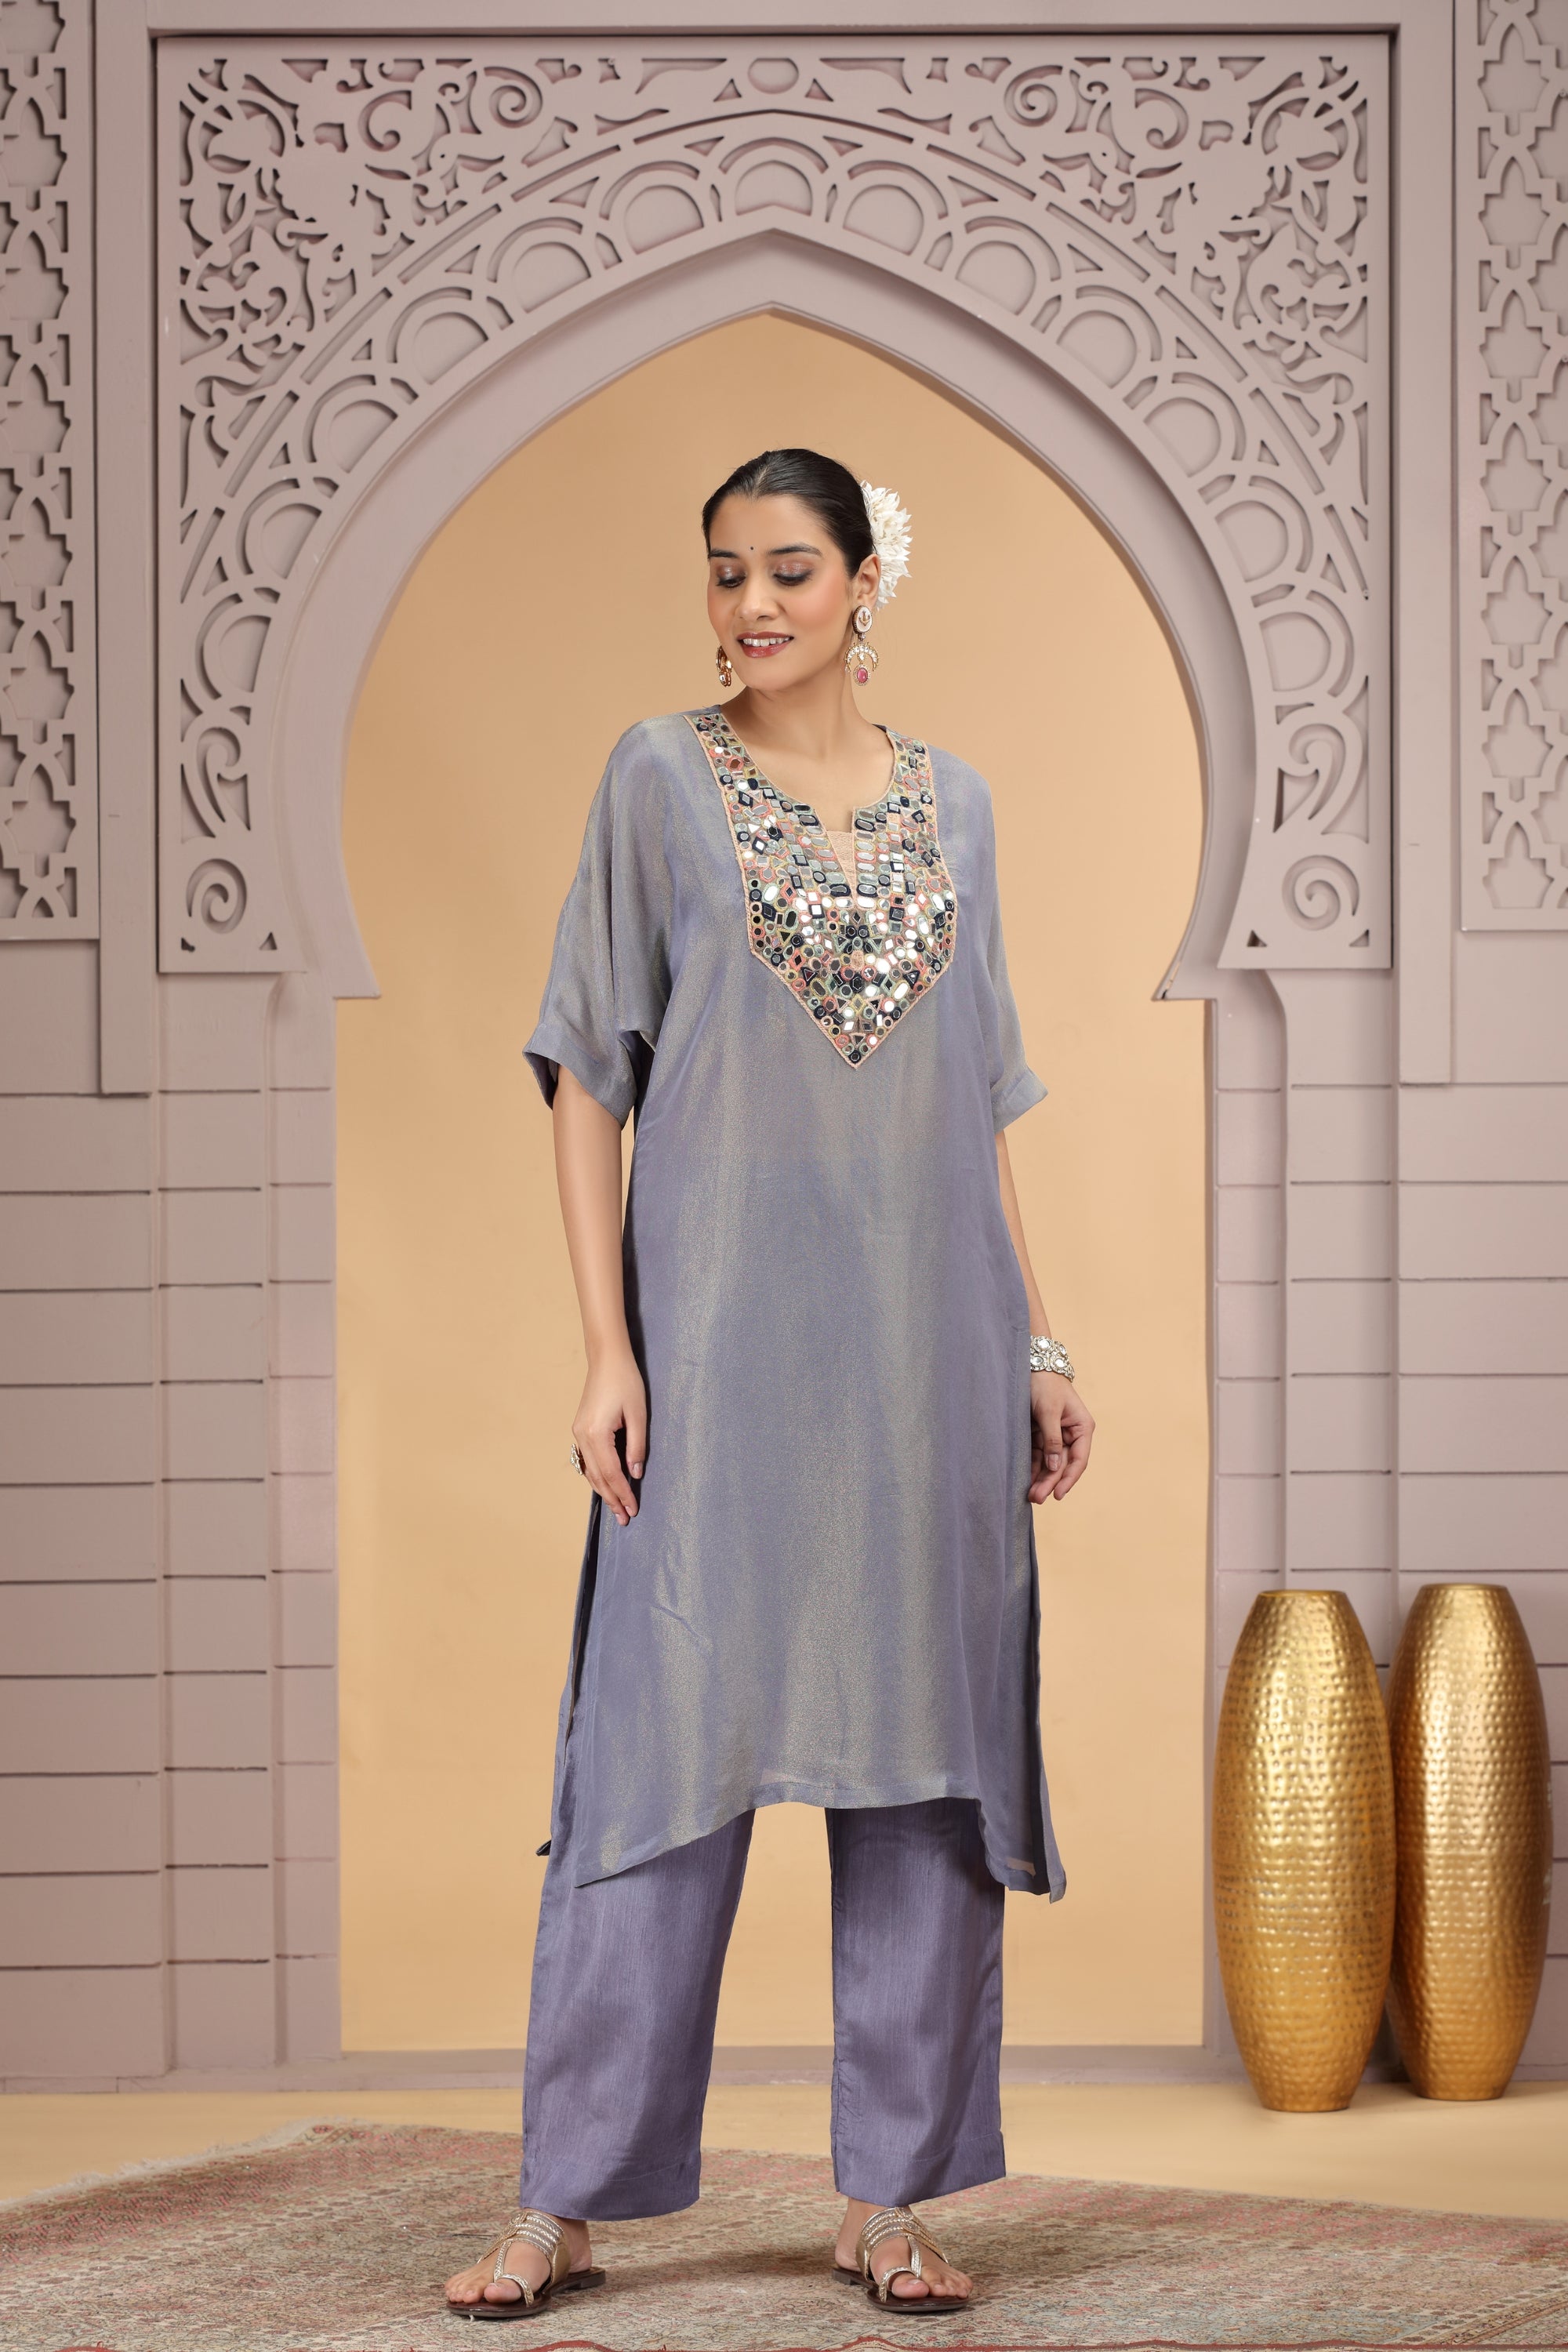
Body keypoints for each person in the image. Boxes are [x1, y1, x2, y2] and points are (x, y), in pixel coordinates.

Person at [445, 448, 1094, 2323]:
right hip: (721, 1358)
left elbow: (974, 1106)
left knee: (927, 1777)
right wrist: (607, 1345)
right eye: (725, 571)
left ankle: (887, 2203)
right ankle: (564, 2199)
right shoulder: (656, 781)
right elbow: (587, 1074)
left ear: (865, 581)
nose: (752, 607)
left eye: (791, 570)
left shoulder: (960, 810)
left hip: (929, 1356)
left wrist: (1038, 1339)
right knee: (657, 1758)